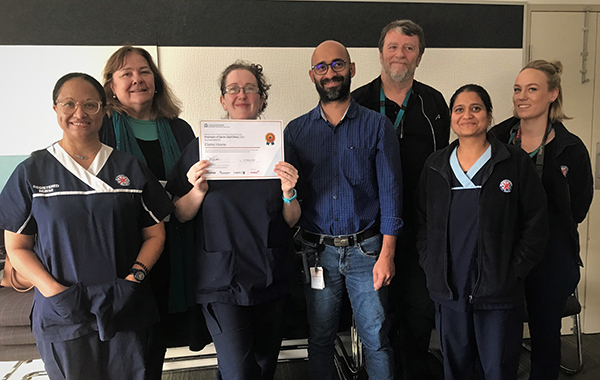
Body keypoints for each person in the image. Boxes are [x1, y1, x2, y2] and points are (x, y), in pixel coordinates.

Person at [0, 73, 173, 380]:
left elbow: (155, 232)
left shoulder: (129, 168)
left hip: (125, 305)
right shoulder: (32, 172)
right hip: (62, 311)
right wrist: (53, 291)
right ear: (56, 109)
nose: (79, 113)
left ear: (104, 110)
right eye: (69, 103)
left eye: (90, 105)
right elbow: (17, 246)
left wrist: (135, 277)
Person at [166, 61, 301, 380]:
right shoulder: (199, 150)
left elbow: (292, 219)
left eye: (250, 88)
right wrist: (197, 191)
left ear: (261, 98)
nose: (242, 94)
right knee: (238, 370)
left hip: (271, 269)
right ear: (223, 100)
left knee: (265, 363)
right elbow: (180, 214)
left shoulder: (280, 148)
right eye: (233, 89)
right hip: (220, 278)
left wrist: (289, 192)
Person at [285, 40, 402, 380]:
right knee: (320, 337)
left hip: (368, 252)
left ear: (352, 70)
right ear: (312, 75)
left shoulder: (378, 126)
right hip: (316, 253)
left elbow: (392, 194)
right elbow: (290, 197)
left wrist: (388, 254)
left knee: (376, 338)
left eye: (338, 65)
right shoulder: (295, 131)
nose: (330, 73)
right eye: (322, 67)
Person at [416, 84, 548, 380]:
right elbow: (422, 222)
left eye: (476, 108)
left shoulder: (513, 162)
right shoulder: (435, 166)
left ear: (489, 116)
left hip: (498, 291)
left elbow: (536, 222)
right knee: (457, 368)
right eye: (459, 109)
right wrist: (430, 264)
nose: (467, 115)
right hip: (450, 290)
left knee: (498, 370)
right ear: (451, 118)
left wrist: (513, 271)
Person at [98, 46, 204, 379]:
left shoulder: (180, 129)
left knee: (157, 332)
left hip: (176, 239)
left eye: (144, 71)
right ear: (111, 85)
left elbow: (191, 186)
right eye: (125, 73)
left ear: (155, 81)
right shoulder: (101, 127)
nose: (136, 79)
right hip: (126, 245)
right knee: (132, 337)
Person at [352, 19, 449, 380]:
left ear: (419, 57)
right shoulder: (358, 100)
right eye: (393, 47)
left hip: (422, 228)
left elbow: (444, 166)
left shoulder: (435, 102)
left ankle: (414, 370)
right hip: (370, 229)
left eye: (409, 48)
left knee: (419, 308)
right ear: (381, 53)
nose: (400, 54)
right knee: (378, 311)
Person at [490, 60, 593, 380]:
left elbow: (578, 207)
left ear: (553, 94)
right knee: (500, 332)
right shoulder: (496, 138)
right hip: (504, 252)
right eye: (517, 89)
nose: (522, 96)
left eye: (532, 89)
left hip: (552, 255)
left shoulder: (571, 148)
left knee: (545, 334)